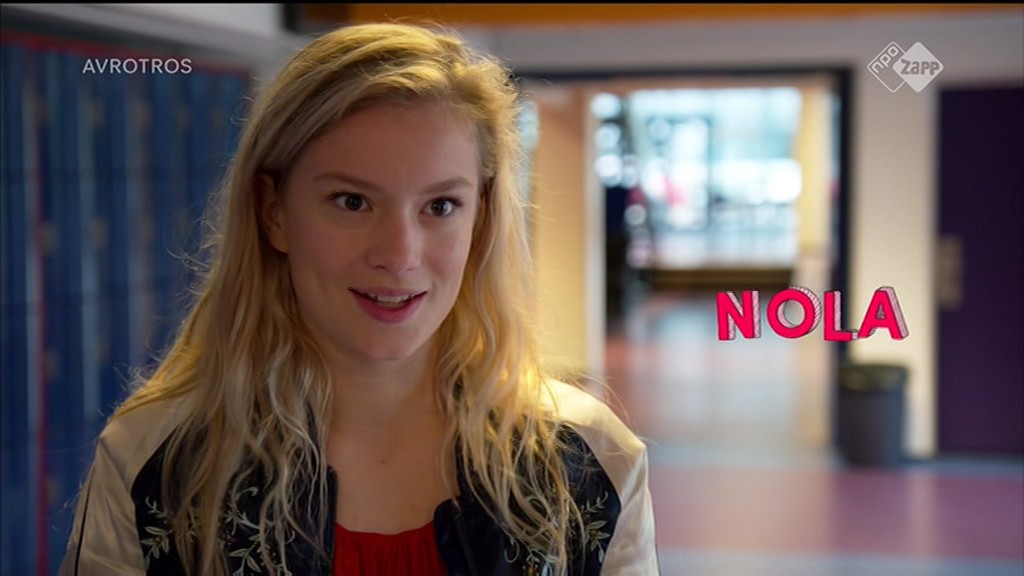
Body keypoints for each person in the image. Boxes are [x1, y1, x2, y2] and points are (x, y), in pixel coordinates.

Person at [59, 22, 659, 576]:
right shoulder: (157, 461)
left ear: (480, 220)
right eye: (352, 202)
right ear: (274, 213)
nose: (399, 255)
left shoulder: (588, 462)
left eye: (441, 206)